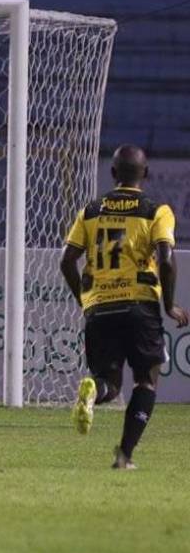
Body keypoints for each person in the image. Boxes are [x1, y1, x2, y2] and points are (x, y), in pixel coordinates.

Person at [61, 144, 188, 469]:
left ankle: (93, 392)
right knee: (146, 381)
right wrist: (170, 305)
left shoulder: (89, 211)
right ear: (144, 174)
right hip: (139, 306)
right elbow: (167, 259)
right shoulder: (156, 210)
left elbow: (67, 261)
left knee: (110, 382)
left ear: (114, 173)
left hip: (100, 307)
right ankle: (124, 456)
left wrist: (84, 301)